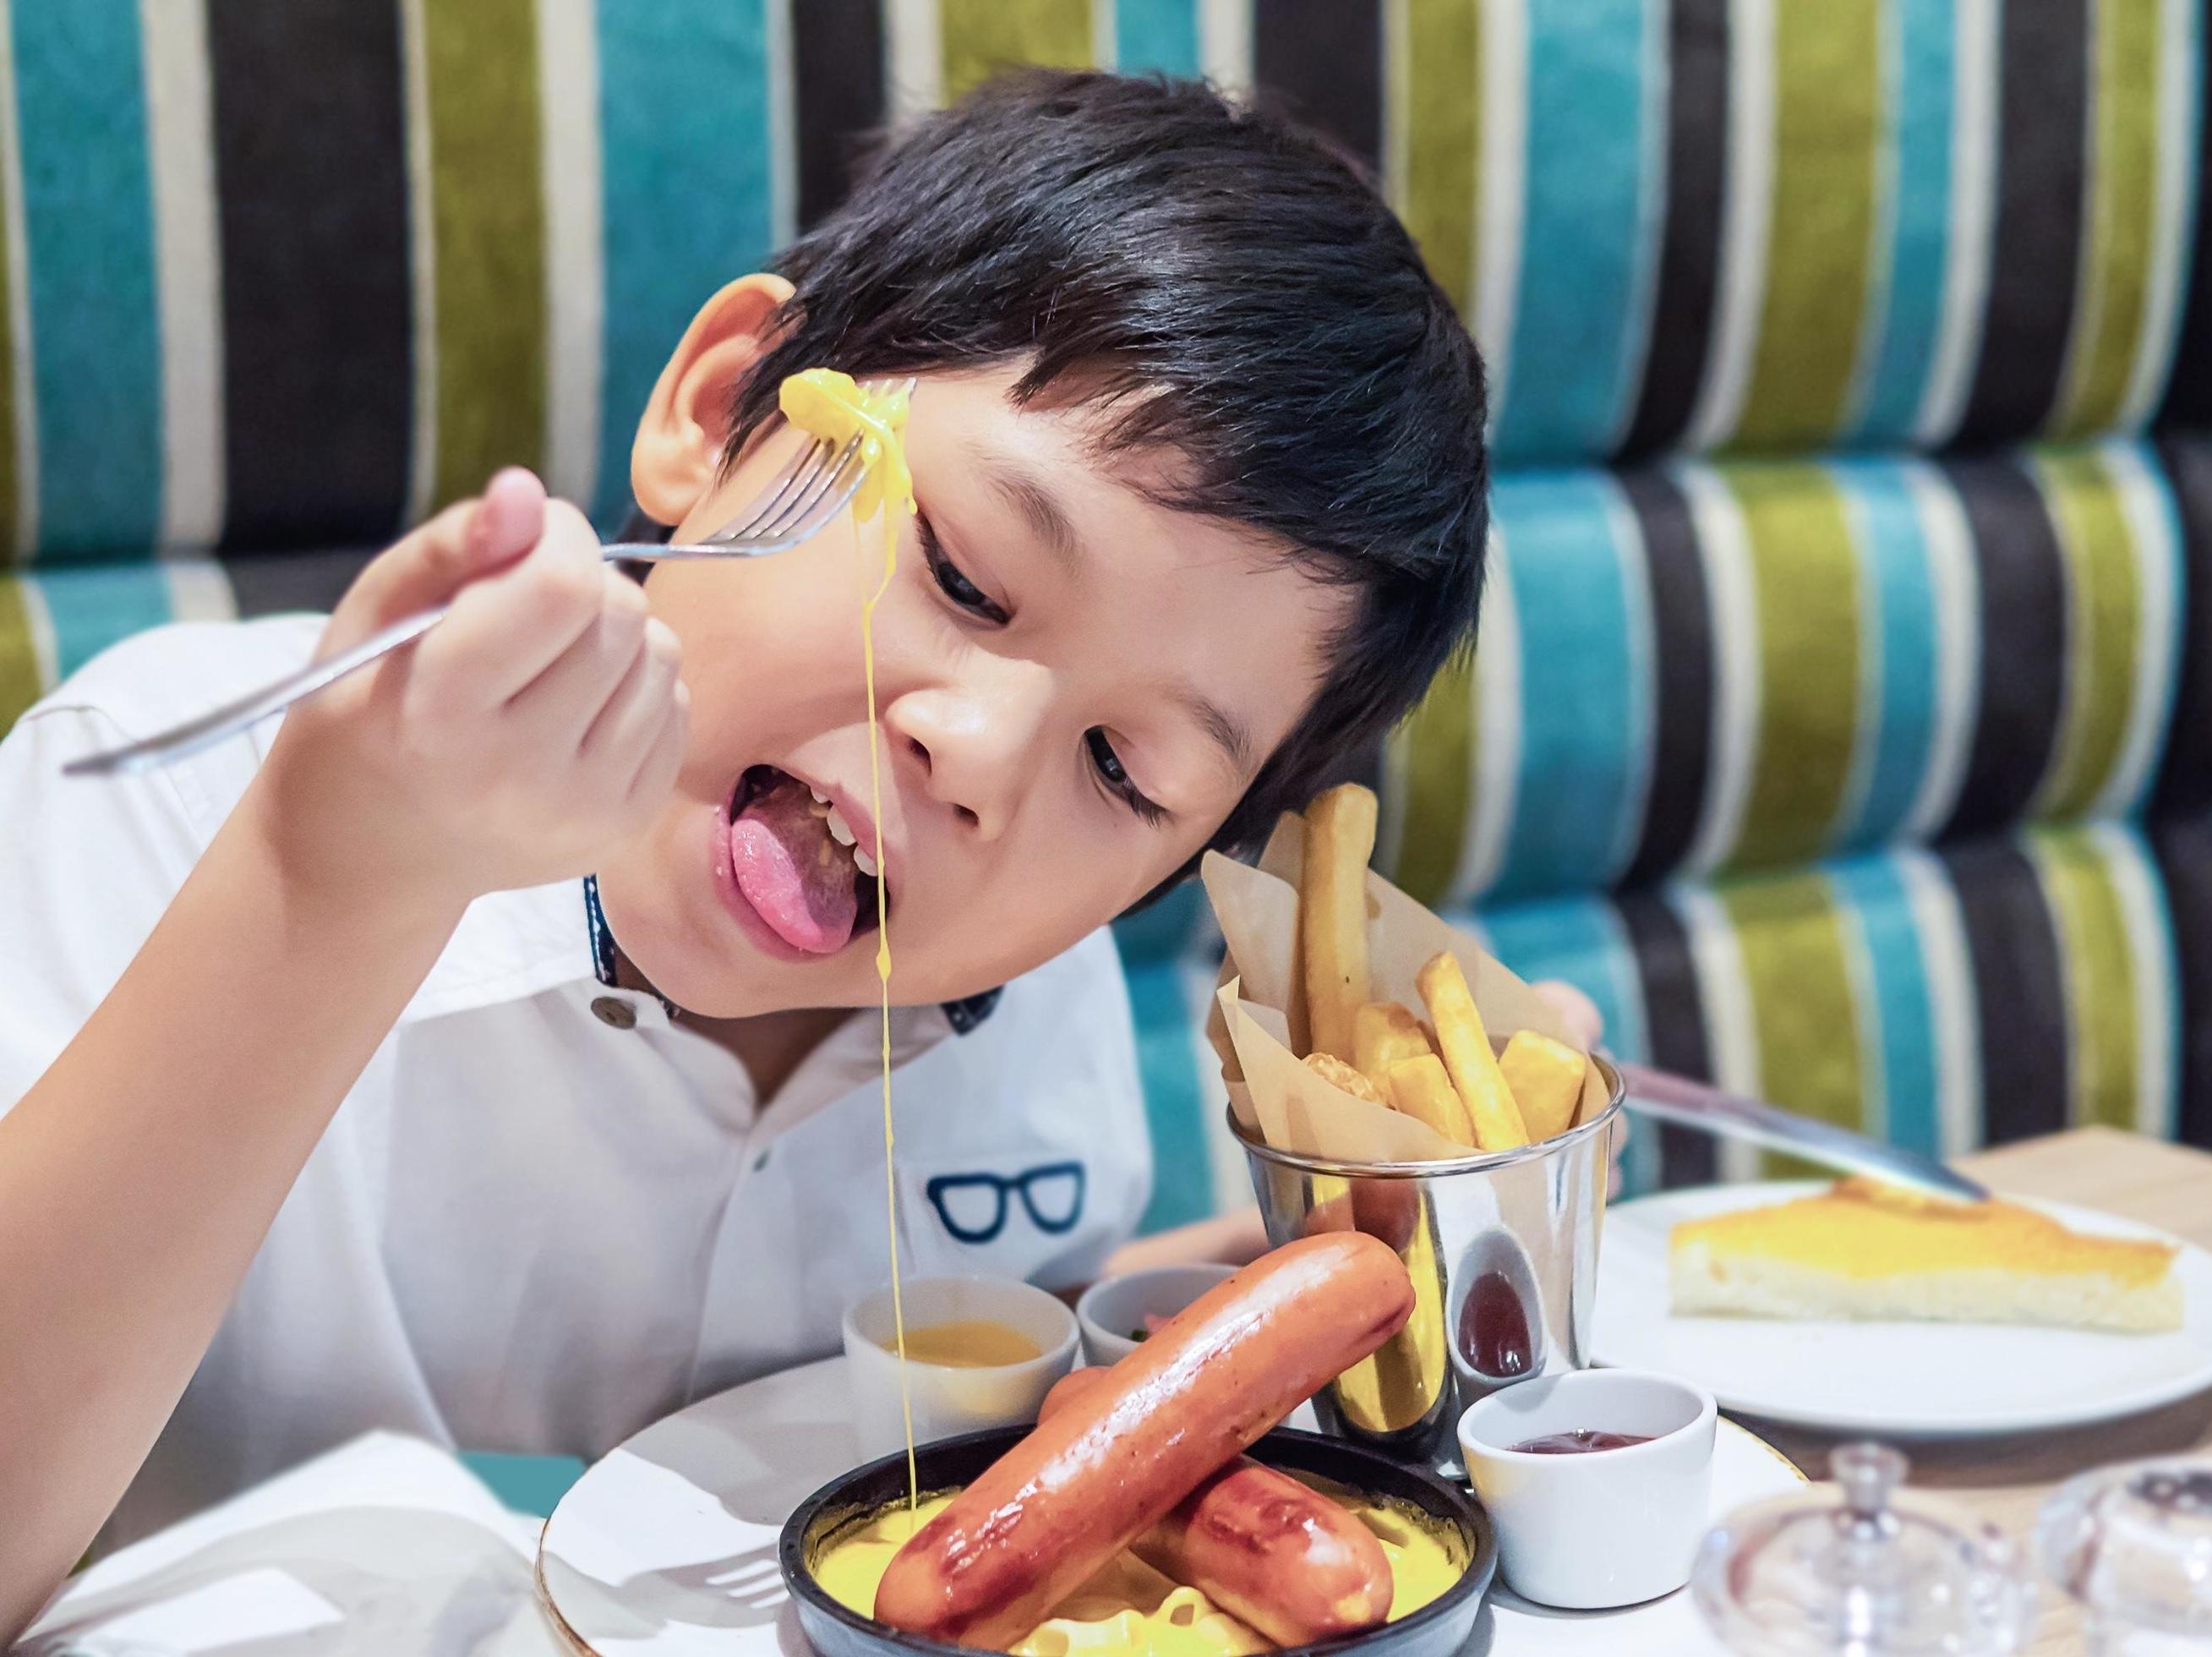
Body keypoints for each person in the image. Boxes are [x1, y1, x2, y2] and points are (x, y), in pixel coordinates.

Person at [0, 70, 1592, 1633]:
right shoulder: (176, 795)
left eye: (1125, 766)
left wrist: (1379, 1210)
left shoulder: (1034, 1007)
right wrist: (333, 872)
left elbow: (958, 1391)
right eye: (964, 577)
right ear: (715, 417)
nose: (976, 754)